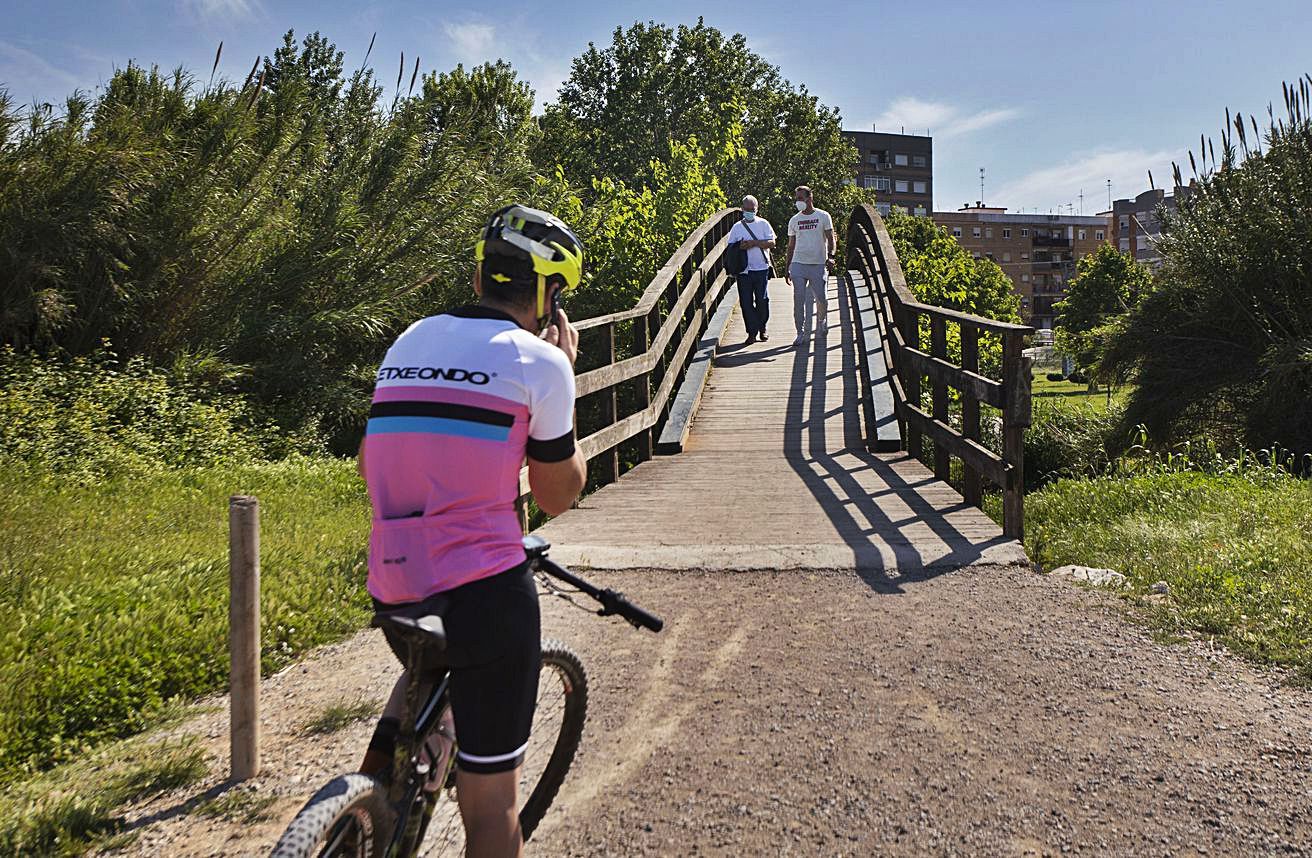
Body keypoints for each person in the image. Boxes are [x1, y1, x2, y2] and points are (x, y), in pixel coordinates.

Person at [356, 204, 588, 857]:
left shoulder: (412, 338)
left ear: (482, 274)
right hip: (485, 593)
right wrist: (563, 372)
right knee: (491, 806)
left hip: (394, 579)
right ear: (547, 293)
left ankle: (373, 791)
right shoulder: (540, 363)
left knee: (428, 667)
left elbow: (370, 457)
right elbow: (556, 495)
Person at [784, 185, 836, 346]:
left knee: (822, 299)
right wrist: (787, 267)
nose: (798, 201)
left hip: (818, 264)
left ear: (809, 198)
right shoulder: (794, 220)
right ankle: (800, 333)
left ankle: (822, 320)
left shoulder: (823, 216)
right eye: (796, 198)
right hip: (798, 264)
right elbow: (791, 246)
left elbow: (831, 238)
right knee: (798, 299)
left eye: (801, 198)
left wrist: (831, 256)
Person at [726, 195, 777, 343]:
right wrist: (740, 246)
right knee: (746, 303)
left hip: (761, 268)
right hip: (744, 270)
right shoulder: (737, 227)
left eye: (752, 209)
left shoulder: (764, 224)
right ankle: (752, 332)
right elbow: (730, 247)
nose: (749, 212)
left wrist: (754, 243)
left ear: (757, 209)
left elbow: (772, 243)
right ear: (742, 209)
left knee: (762, 300)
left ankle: (762, 327)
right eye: (746, 209)